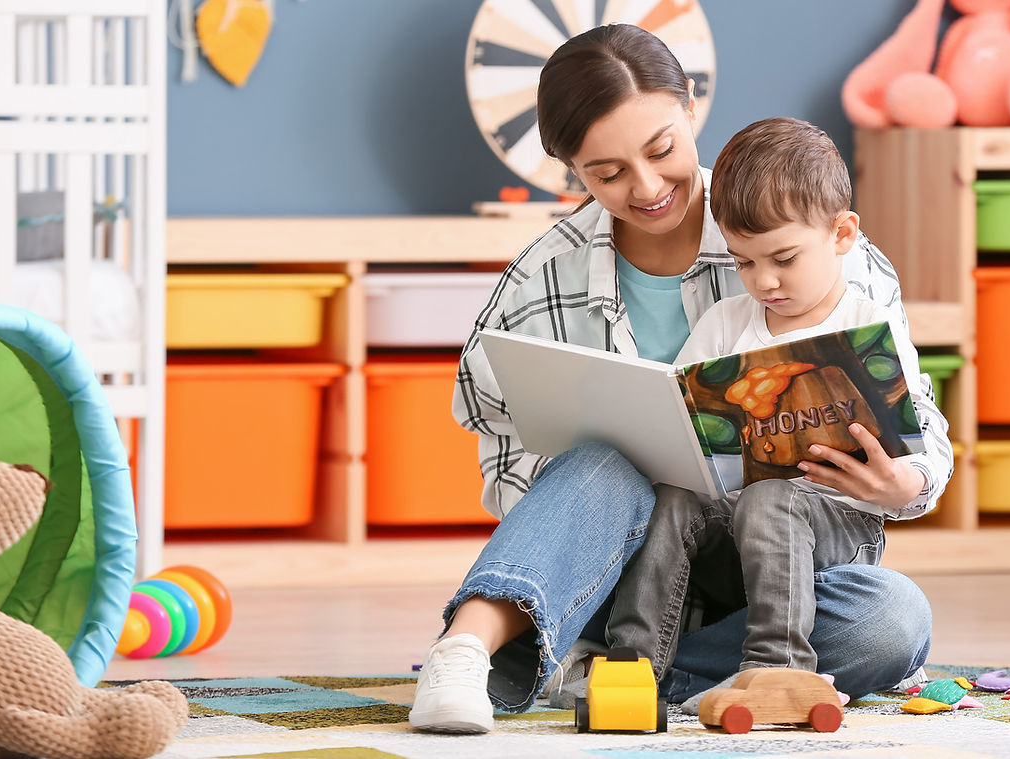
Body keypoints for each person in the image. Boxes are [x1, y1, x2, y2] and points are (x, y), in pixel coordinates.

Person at [408, 24, 951, 735]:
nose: (646, 186)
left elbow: (920, 429)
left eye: (660, 149)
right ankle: (465, 650)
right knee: (606, 462)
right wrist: (605, 495)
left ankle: (607, 674)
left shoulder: (819, 246)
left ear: (689, 104)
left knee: (889, 616)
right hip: (617, 562)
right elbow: (504, 458)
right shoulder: (545, 274)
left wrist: (902, 486)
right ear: (571, 169)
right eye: (606, 172)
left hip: (774, 582)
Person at [602, 117, 946, 713]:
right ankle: (631, 672)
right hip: (727, 545)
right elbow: (676, 423)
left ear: (842, 234)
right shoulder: (724, 326)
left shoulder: (869, 328)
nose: (763, 281)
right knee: (675, 496)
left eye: (783, 259)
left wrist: (903, 482)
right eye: (743, 262)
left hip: (833, 538)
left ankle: (776, 671)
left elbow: (926, 441)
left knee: (788, 513)